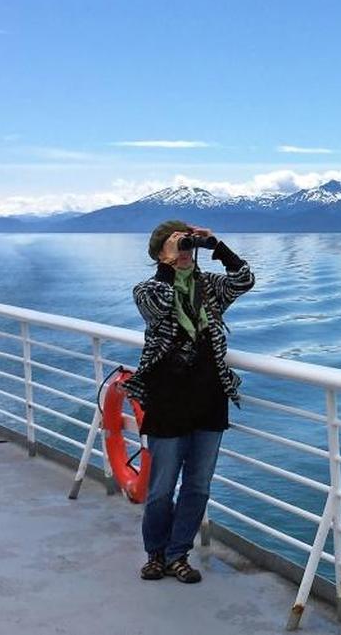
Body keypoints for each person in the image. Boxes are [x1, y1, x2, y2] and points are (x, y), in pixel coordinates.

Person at [121, 220, 254, 583]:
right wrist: (168, 264)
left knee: (198, 485)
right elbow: (158, 307)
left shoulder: (209, 287)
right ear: (159, 254)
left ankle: (179, 554)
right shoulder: (148, 289)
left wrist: (216, 244)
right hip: (167, 400)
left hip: (209, 397)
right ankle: (155, 553)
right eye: (175, 246)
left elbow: (244, 279)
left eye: (186, 245)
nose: (184, 252)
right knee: (162, 487)